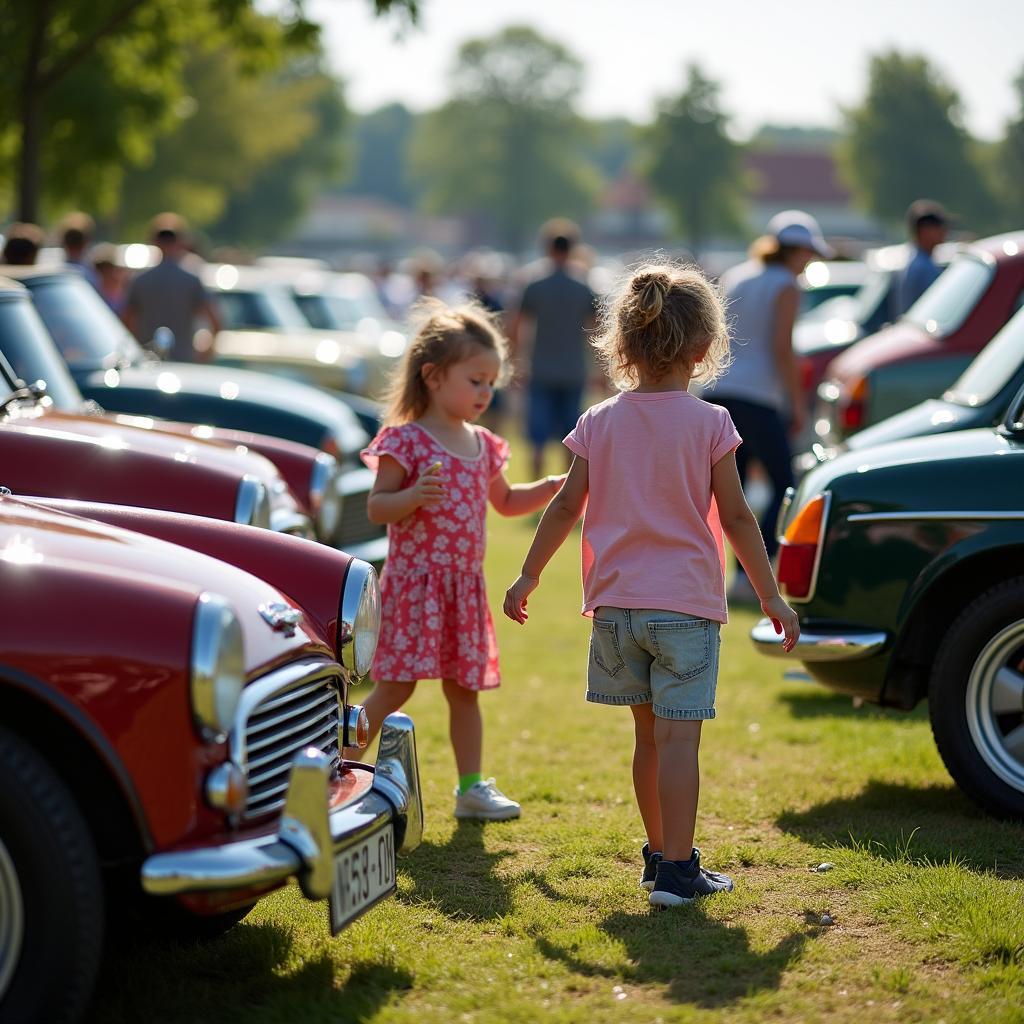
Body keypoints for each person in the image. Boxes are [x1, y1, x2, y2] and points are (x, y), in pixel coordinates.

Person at [503, 263, 800, 907]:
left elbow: (562, 506)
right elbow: (742, 516)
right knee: (679, 740)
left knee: (646, 738)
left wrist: (529, 575)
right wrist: (771, 594)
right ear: (702, 349)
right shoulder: (711, 424)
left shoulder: (599, 421)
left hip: (616, 609)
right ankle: (677, 870)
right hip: (685, 608)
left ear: (623, 346)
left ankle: (658, 856)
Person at [346, 300, 564, 820]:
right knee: (395, 685)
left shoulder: (485, 445)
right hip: (414, 586)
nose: (486, 393)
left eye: (492, 383)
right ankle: (342, 764)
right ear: (434, 376)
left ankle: (470, 788)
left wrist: (556, 487)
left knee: (464, 689)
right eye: (476, 381)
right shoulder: (406, 441)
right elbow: (378, 507)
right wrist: (415, 494)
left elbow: (507, 501)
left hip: (463, 587)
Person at [704, 210, 830, 603]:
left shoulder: (739, 275)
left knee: (729, 490)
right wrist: (796, 405)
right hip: (758, 396)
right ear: (798, 251)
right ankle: (753, 571)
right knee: (783, 484)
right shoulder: (787, 285)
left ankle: (730, 575)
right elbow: (781, 349)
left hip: (720, 389)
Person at [509, 220, 597, 479]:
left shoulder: (535, 286)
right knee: (571, 437)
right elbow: (596, 330)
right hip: (574, 369)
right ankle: (567, 491)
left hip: (541, 368)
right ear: (572, 249)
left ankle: (536, 491)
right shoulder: (583, 287)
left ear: (548, 249)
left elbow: (517, 327)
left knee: (537, 437)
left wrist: (515, 362)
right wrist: (600, 370)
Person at [123, 213, 221, 360]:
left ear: (154, 241)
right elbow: (215, 320)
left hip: (148, 359)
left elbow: (127, 321)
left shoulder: (140, 281)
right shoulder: (191, 280)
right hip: (183, 359)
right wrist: (205, 351)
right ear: (181, 242)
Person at [894, 199, 950, 316]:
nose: (945, 232)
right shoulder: (922, 267)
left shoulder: (915, 260)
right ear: (925, 231)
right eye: (939, 227)